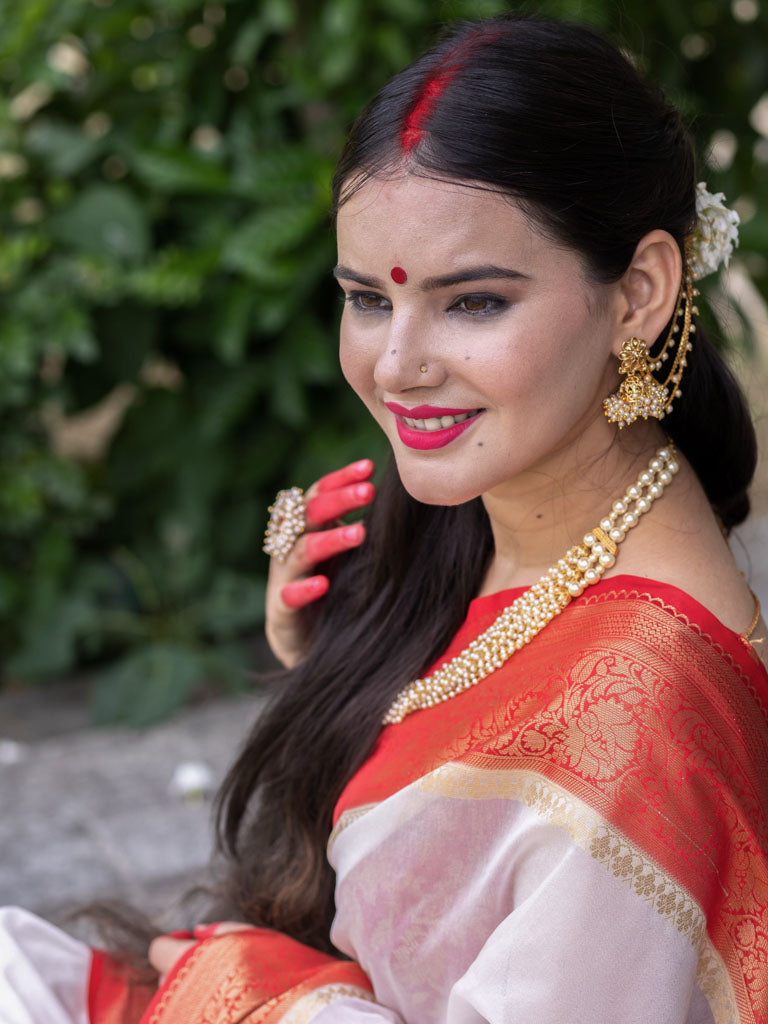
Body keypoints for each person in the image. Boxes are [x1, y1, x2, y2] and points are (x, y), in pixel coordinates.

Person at [2, 13, 767, 1024]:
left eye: (474, 303)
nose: (397, 365)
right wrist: (340, 653)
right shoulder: (510, 513)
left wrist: (248, 994)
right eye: (367, 299)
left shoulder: (640, 716)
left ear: (638, 293)